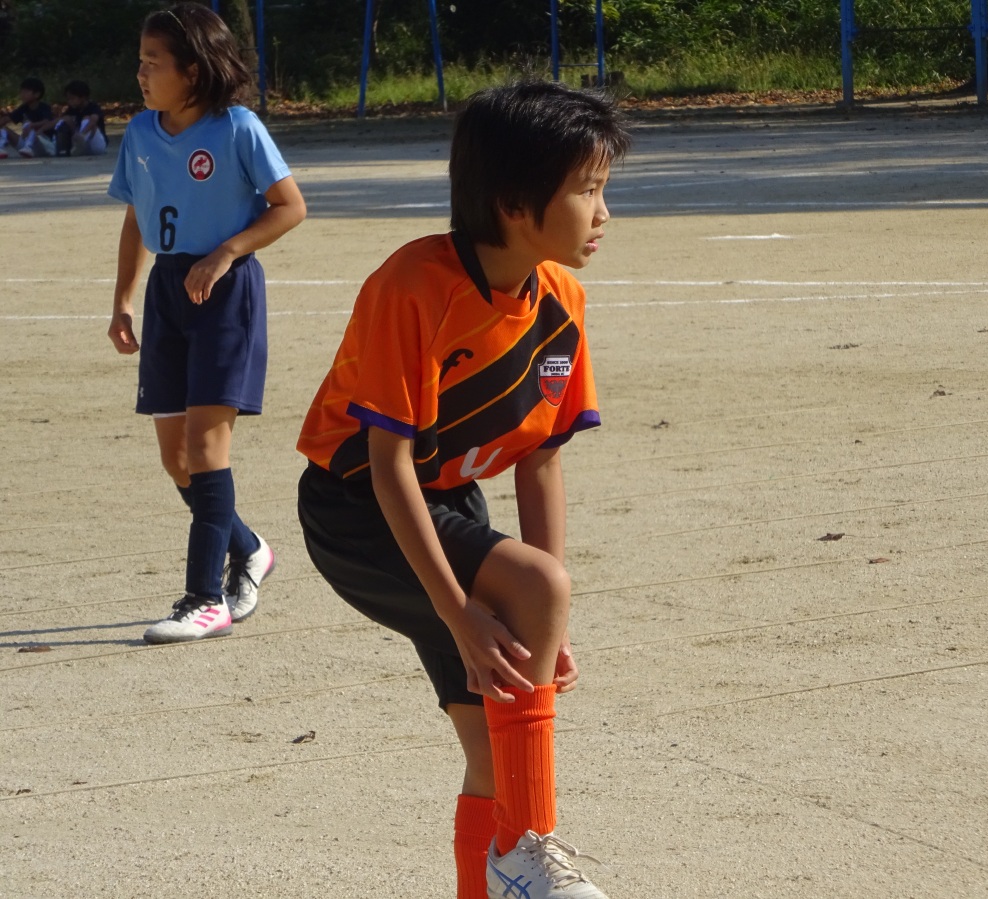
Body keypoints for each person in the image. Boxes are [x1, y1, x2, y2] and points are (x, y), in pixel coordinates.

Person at [296, 79, 629, 899]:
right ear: (514, 204)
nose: (604, 212)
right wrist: (462, 612)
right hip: (359, 510)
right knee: (537, 591)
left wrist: (541, 622)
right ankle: (529, 846)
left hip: (446, 505)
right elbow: (387, 465)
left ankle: (497, 875)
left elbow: (539, 459)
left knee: (491, 748)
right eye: (587, 190)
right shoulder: (414, 286)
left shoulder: (561, 301)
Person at [106, 4, 306, 644]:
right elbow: (136, 218)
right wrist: (123, 300)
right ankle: (250, 549)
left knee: (205, 450)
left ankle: (204, 600)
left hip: (224, 292)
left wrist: (227, 252)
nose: (141, 73)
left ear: (192, 70)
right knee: (176, 460)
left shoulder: (237, 127)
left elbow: (290, 206)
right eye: (140, 61)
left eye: (153, 62)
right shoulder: (141, 133)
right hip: (168, 290)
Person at [0, 77, 55, 158]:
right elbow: (6, 119)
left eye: (25, 92)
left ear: (37, 94)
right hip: (25, 143)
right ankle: (1, 147)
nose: (22, 94)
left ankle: (29, 147)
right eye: (21, 92)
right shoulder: (23, 108)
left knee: (31, 129)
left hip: (43, 143)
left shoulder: (44, 107)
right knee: (4, 129)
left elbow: (47, 121)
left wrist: (32, 125)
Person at [51, 80, 108, 156]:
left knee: (87, 119)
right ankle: (61, 147)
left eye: (72, 98)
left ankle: (80, 142)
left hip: (95, 144)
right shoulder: (72, 109)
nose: (69, 101)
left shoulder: (93, 107)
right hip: (80, 144)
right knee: (64, 120)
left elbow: (93, 120)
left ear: (83, 97)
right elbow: (59, 121)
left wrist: (82, 134)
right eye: (68, 99)